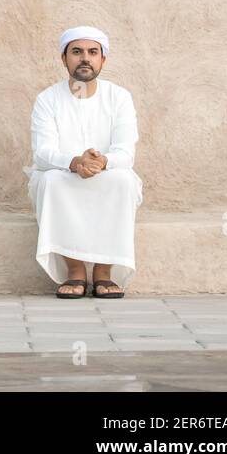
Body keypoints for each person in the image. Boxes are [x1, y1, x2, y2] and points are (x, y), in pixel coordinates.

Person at [26, 26, 142, 298]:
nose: (85, 58)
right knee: (52, 180)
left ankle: (104, 272)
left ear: (103, 59)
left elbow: (126, 152)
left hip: (106, 172)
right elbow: (42, 152)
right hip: (64, 172)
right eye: (76, 52)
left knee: (123, 179)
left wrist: (102, 161)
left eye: (93, 52)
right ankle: (75, 271)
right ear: (64, 58)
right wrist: (74, 162)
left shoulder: (119, 97)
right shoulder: (47, 99)